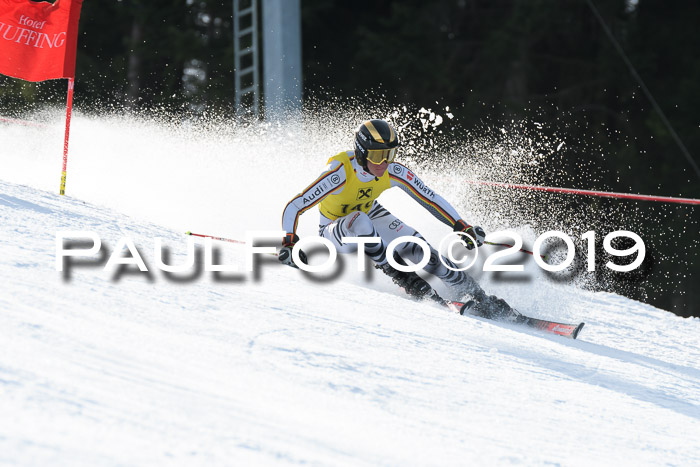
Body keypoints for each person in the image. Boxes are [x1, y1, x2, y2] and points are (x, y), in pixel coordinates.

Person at [279, 119, 515, 320]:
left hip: (370, 213)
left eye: (389, 155)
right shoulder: (340, 172)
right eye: (378, 156)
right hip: (333, 229)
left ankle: (478, 296)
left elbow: (429, 198)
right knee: (360, 221)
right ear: (362, 153)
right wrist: (289, 242)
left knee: (420, 250)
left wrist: (461, 226)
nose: (384, 163)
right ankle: (404, 278)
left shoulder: (392, 170)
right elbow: (295, 205)